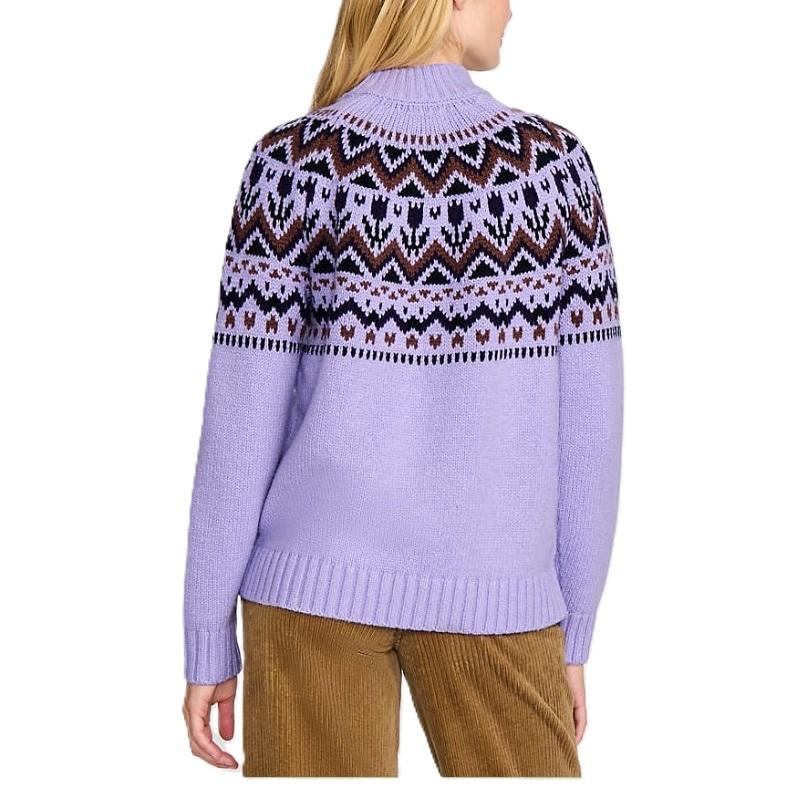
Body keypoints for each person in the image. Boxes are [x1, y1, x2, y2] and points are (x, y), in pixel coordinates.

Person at [181, 0, 624, 777]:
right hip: (498, 595)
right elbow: (590, 425)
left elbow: (239, 424)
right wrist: (573, 630)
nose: (511, 8)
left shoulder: (290, 164)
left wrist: (207, 633)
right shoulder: (552, 168)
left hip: (305, 588)